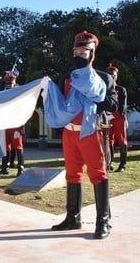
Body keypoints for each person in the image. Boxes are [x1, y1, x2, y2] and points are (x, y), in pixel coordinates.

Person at [50, 30, 118, 239]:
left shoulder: (104, 78)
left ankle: (103, 221)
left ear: (92, 53)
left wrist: (93, 92)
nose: (79, 54)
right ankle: (73, 218)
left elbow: (114, 106)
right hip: (69, 133)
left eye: (84, 51)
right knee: (72, 174)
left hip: (91, 132)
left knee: (98, 174)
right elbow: (59, 104)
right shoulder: (66, 78)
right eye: (76, 51)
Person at [0, 70, 25, 177]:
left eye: (10, 81)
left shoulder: (19, 90)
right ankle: (4, 167)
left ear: (14, 80)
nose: (8, 84)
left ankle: (21, 168)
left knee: (18, 146)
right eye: (7, 82)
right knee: (5, 146)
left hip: (15, 123)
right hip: (4, 122)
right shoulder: (3, 91)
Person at [106, 64, 129, 172]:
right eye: (109, 74)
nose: (112, 76)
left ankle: (122, 165)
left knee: (121, 140)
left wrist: (112, 115)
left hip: (119, 117)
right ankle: (109, 163)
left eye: (113, 75)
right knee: (108, 141)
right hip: (107, 118)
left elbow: (122, 107)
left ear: (116, 76)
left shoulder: (121, 89)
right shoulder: (104, 89)